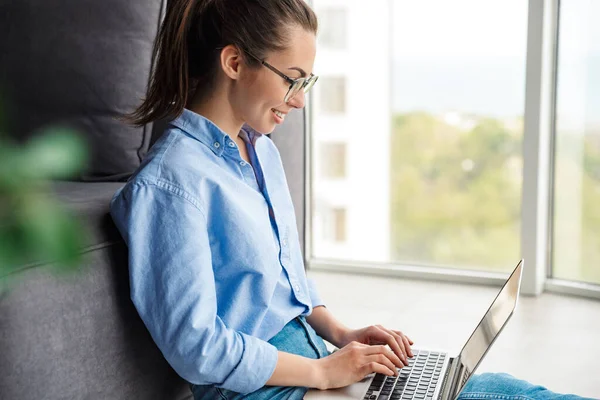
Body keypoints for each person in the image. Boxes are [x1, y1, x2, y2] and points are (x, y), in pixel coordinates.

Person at [109, 1, 595, 399]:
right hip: (264, 391)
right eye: (292, 78)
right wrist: (323, 373)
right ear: (234, 63)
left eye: (307, 82)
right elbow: (196, 347)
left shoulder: (260, 151)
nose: (300, 99)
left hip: (313, 364)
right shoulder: (170, 185)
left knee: (500, 389)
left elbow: (284, 284)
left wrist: (342, 336)